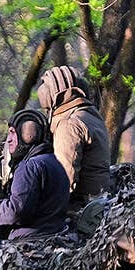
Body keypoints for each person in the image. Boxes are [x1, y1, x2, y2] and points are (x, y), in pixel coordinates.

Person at [0, 109, 69, 239]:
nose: (8, 140)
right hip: (53, 237)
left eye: (13, 133)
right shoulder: (53, 161)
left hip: (30, 241)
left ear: (28, 135)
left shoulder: (29, 167)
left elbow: (15, 212)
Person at [35, 65, 111, 206]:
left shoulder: (69, 124)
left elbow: (63, 179)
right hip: (98, 203)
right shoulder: (89, 114)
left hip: (80, 209)